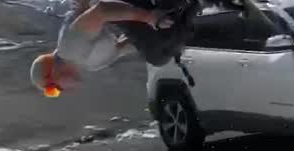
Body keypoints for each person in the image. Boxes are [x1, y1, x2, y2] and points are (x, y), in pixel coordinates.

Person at [29, 0, 197, 98]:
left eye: (53, 89)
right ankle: (191, 14)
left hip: (114, 4)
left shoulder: (70, 47)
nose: (61, 91)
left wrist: (150, 18)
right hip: (120, 13)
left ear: (52, 73)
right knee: (159, 54)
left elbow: (101, 11)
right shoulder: (92, 64)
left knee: (158, 53)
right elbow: (129, 44)